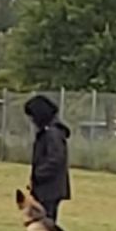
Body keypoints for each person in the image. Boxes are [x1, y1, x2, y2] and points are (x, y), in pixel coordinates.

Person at [24, 95, 70, 223]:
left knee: (45, 222)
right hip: (46, 188)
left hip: (50, 189)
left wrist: (38, 175)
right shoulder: (48, 131)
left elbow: (56, 159)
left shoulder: (53, 133)